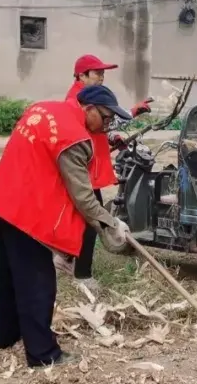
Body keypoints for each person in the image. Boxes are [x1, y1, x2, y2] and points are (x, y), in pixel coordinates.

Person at [0, 84, 133, 368]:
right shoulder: (74, 138)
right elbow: (84, 198)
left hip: (1, 199)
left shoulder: (45, 108)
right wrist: (112, 225)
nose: (107, 125)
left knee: (8, 275)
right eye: (106, 117)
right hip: (26, 215)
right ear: (88, 109)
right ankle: (42, 353)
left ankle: (6, 335)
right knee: (38, 283)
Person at [56, 54, 153, 288]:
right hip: (83, 170)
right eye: (97, 73)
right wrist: (132, 113)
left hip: (90, 166)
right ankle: (82, 275)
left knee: (78, 217)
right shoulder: (77, 99)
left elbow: (100, 126)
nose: (101, 77)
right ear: (81, 75)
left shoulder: (89, 99)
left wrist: (111, 136)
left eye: (103, 73)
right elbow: (87, 129)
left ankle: (64, 257)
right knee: (92, 218)